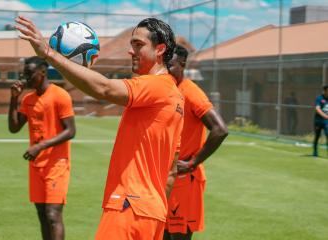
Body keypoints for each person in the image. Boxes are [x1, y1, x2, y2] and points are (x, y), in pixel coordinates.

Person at [15, 16, 183, 240]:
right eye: (131, 45)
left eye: (138, 45)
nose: (131, 51)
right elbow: (172, 171)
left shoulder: (156, 85)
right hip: (153, 212)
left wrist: (48, 53)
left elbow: (104, 88)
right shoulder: (176, 96)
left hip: (129, 205)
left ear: (160, 49)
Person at [164, 45, 228, 240]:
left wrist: (193, 162)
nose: (166, 69)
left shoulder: (191, 92)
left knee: (179, 236)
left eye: (170, 65)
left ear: (182, 64)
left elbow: (220, 129)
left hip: (185, 180)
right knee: (161, 234)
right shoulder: (167, 90)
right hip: (166, 177)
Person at [8, 56, 76, 240]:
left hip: (56, 165)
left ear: (43, 72)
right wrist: (14, 99)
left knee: (53, 215)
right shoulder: (28, 99)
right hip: (36, 165)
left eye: (29, 74)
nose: (25, 78)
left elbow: (71, 131)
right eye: (24, 74)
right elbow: (14, 128)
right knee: (42, 216)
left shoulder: (60, 96)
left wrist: (41, 146)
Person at [313, 85, 328, 157]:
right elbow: (317, 109)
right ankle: (315, 151)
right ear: (325, 91)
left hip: (326, 121)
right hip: (318, 121)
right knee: (317, 136)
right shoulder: (319, 98)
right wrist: (324, 116)